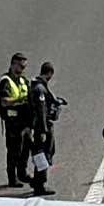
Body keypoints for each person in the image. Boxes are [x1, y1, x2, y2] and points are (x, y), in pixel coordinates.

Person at [25, 61, 64, 195]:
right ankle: (40, 184)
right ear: (49, 73)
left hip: (40, 126)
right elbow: (41, 111)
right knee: (43, 154)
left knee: (42, 154)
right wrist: (43, 130)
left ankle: (38, 182)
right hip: (43, 127)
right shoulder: (40, 89)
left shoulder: (37, 86)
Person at [0, 51, 35, 186]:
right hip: (12, 121)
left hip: (24, 120)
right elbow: (4, 101)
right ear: (13, 65)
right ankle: (12, 178)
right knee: (13, 150)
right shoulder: (6, 81)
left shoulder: (24, 80)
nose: (22, 69)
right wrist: (20, 100)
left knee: (26, 147)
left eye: (24, 67)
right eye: (20, 66)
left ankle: (22, 173)